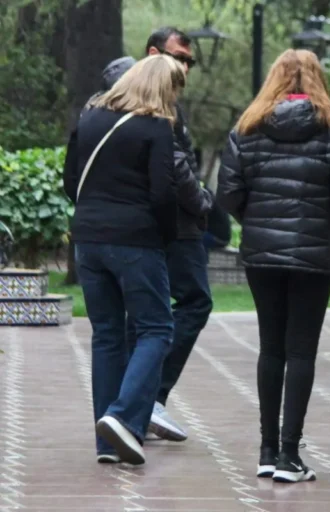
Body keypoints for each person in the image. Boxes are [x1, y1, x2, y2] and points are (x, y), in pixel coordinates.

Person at [216, 49, 330, 484]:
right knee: (301, 351)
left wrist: (256, 221)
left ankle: (265, 450)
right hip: (314, 253)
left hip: (262, 252)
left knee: (271, 347)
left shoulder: (247, 127)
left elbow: (228, 192)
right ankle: (289, 455)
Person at [63, 55, 185, 465]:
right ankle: (123, 416)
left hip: (88, 239)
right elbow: (163, 193)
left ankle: (107, 444)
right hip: (136, 240)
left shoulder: (90, 117)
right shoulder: (156, 126)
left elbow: (70, 180)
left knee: (107, 335)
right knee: (156, 329)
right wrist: (168, 235)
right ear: (162, 87)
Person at [96, 28, 212, 443]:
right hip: (169, 222)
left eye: (189, 61)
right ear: (152, 54)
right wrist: (202, 202)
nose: (185, 66)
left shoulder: (113, 104)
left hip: (130, 227)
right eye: (178, 57)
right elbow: (174, 171)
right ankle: (144, 401)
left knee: (130, 323)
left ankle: (124, 415)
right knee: (187, 305)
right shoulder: (155, 104)